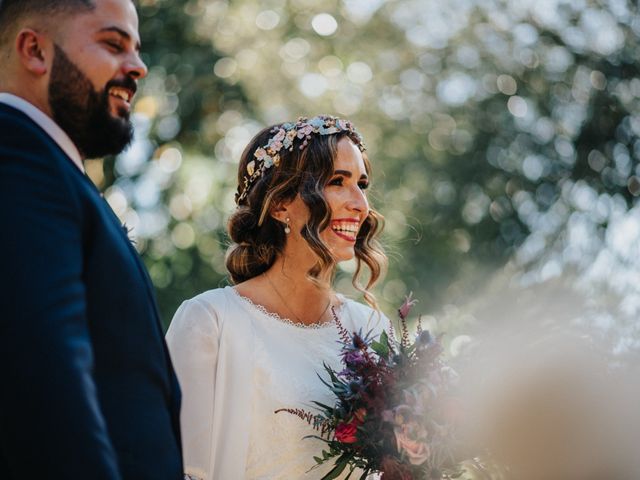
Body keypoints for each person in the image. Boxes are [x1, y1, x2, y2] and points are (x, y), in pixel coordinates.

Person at [0, 1, 183, 478]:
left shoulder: (55, 171)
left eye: (137, 49)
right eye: (113, 43)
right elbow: (43, 374)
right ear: (35, 50)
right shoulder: (16, 153)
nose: (138, 66)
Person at [166, 115, 389, 479]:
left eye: (361, 184)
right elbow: (170, 466)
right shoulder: (211, 323)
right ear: (280, 204)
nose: (360, 204)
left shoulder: (373, 333)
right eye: (337, 182)